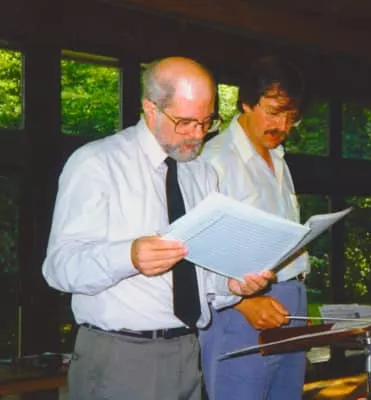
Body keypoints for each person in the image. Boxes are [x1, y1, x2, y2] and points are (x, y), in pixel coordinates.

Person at [42, 56, 273, 400]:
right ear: (151, 109)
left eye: (207, 121)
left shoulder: (202, 174)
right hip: (120, 356)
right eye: (185, 122)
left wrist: (232, 285)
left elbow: (200, 280)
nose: (198, 134)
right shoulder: (97, 163)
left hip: (188, 351)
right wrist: (129, 257)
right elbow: (59, 269)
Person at [198, 55, 309, 400]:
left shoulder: (278, 157)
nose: (283, 125)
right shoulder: (213, 159)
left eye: (292, 117)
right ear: (246, 102)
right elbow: (195, 246)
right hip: (241, 307)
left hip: (291, 299)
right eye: (274, 112)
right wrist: (242, 304)